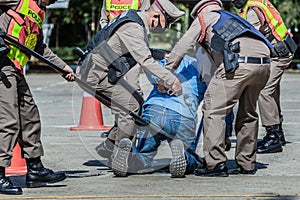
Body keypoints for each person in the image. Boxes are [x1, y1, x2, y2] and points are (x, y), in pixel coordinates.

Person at [164, 0, 273, 176]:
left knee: (213, 110)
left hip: (239, 64)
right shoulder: (235, 19)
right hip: (264, 64)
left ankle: (215, 164)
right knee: (248, 113)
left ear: (200, 10)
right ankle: (247, 163)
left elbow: (182, 47)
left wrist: (165, 75)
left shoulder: (205, 18)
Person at [77, 0, 185, 169]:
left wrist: (160, 54)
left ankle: (110, 145)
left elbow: (139, 51)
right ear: (156, 16)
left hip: (104, 72)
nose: (167, 27)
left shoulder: (135, 20)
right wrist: (173, 80)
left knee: (138, 102)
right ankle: (120, 158)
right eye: (167, 22)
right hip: (95, 74)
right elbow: (144, 60)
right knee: (129, 108)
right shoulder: (134, 27)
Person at [0, 0, 75, 195]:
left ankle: (35, 169)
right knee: (8, 121)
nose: (49, 3)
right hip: (2, 65)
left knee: (30, 116)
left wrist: (62, 67)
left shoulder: (38, 13)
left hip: (16, 68)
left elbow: (38, 48)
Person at [112, 55, 206, 178]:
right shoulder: (201, 69)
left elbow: (152, 72)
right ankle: (184, 155)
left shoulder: (166, 63)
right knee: (192, 158)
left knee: (145, 155)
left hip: (154, 110)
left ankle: (131, 155)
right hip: (182, 114)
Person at [231, 0, 297, 154]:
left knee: (264, 91)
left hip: (279, 54)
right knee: (272, 91)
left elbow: (249, 37)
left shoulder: (253, 10)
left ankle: (273, 136)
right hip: (282, 49)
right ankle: (278, 133)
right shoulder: (258, 2)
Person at [99, 0, 150, 138]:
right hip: (113, 49)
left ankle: (134, 127)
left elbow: (146, 20)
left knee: (134, 89)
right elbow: (103, 19)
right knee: (118, 91)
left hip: (133, 50)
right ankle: (119, 129)